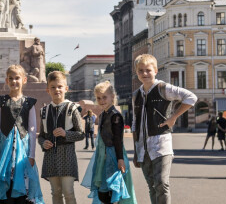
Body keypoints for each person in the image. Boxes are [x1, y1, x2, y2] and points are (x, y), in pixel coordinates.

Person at [131, 54, 197, 203]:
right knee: (152, 185)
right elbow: (135, 123)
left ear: (155, 70)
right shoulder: (137, 95)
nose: (144, 74)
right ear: (137, 73)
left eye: (148, 70)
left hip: (161, 144)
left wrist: (174, 117)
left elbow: (191, 97)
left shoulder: (163, 88)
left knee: (161, 183)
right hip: (143, 147)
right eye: (140, 71)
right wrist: (136, 152)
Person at [0, 64, 44, 204]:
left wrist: (31, 156)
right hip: (4, 151)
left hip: (23, 151)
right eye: (11, 78)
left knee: (22, 189)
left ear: (24, 80)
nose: (14, 81)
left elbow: (32, 131)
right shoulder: (1, 101)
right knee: (5, 187)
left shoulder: (29, 102)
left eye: (17, 78)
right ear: (6, 81)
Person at [80, 81, 136, 204]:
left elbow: (118, 139)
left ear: (112, 97)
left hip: (113, 156)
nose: (101, 100)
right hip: (103, 156)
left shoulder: (115, 115)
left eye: (104, 97)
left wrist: (120, 159)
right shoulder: (104, 113)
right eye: (98, 98)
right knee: (103, 193)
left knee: (111, 192)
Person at [38, 71, 85, 204]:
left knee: (68, 192)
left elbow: (81, 134)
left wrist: (66, 134)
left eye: (59, 86)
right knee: (56, 193)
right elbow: (41, 136)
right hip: (50, 157)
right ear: (48, 90)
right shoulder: (44, 111)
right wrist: (43, 143)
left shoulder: (72, 108)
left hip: (67, 157)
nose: (56, 90)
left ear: (66, 88)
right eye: (53, 87)